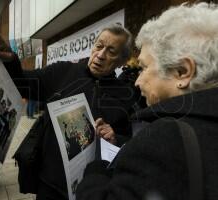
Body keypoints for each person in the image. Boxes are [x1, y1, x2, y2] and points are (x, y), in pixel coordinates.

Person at [76, 3, 218, 200]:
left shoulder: (164, 139)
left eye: (143, 68)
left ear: (182, 72)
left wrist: (96, 171)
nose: (137, 80)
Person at [0, 23, 142, 199]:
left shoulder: (126, 96)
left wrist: (115, 137)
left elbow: (133, 144)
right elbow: (23, 83)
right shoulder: (63, 72)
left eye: (111, 51)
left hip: (90, 187)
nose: (100, 55)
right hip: (49, 181)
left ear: (122, 61)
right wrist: (11, 62)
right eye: (99, 46)